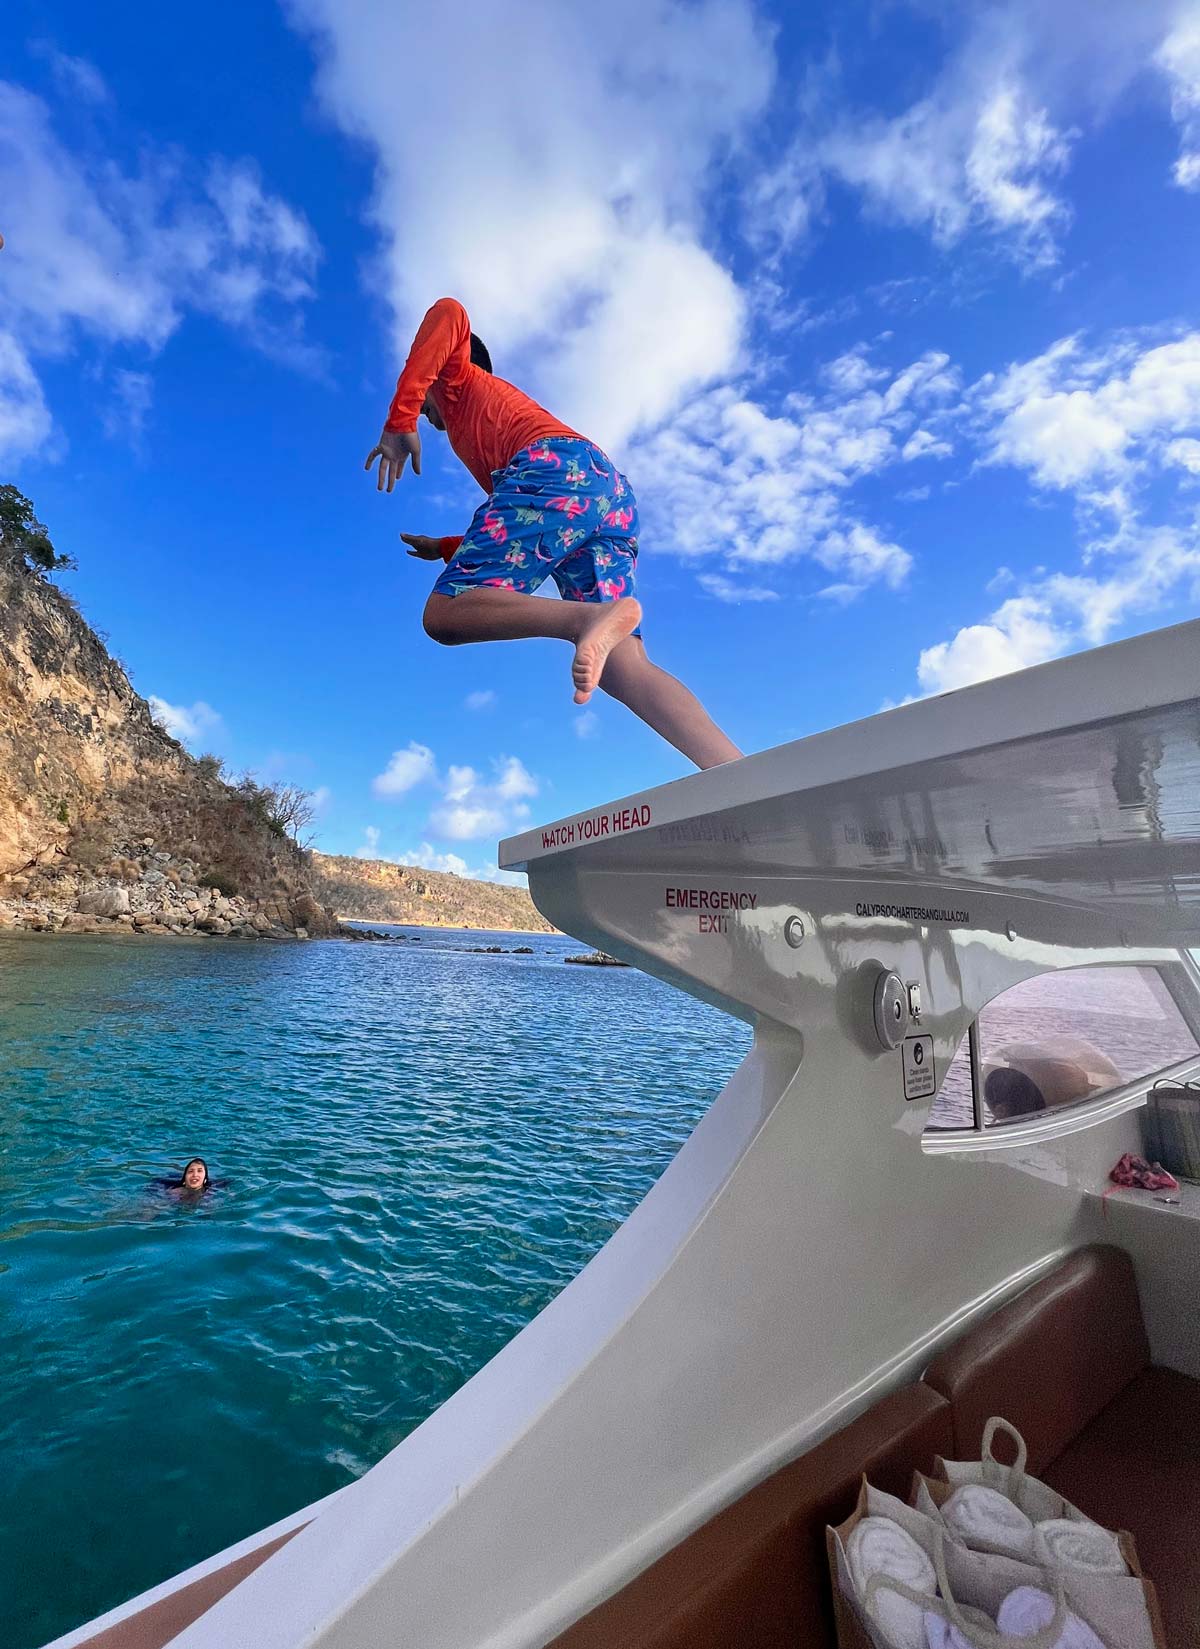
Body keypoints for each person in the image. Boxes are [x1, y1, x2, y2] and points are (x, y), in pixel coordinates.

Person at [364, 297, 742, 770]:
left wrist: (399, 417)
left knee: (445, 613)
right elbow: (531, 531)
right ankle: (736, 772)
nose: (424, 418)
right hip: (604, 490)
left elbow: (449, 312)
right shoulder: (488, 425)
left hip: (555, 469)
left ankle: (582, 620)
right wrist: (444, 547)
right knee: (625, 667)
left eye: (424, 406)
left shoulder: (460, 381)